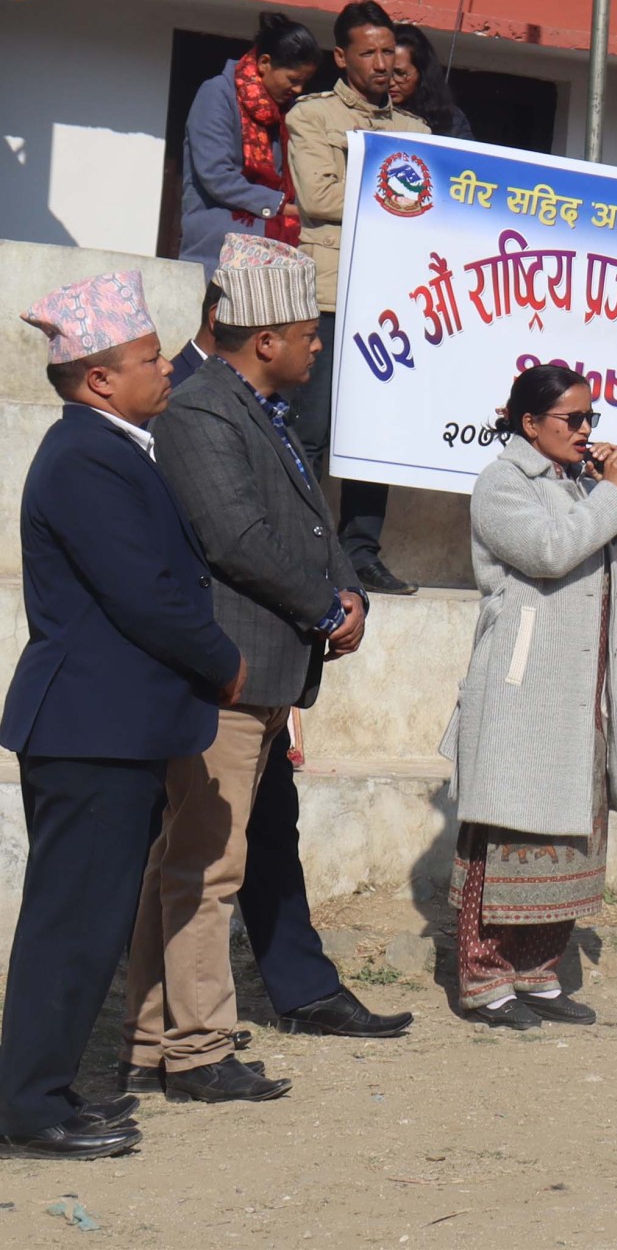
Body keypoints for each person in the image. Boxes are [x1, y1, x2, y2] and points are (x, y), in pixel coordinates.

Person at [124, 236, 412, 1107]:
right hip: (230, 671)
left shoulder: (256, 407)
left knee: (188, 858)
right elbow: (236, 538)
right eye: (308, 333)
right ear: (265, 340)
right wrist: (325, 606)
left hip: (262, 671)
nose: (318, 345)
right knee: (205, 865)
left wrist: (347, 591)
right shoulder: (202, 410)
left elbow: (310, 525)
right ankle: (197, 1049)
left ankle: (157, 1038)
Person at [1, 271, 243, 1159]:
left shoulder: (111, 448)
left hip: (107, 728)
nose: (167, 365)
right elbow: (145, 591)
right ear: (99, 378)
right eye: (148, 357)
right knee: (71, 923)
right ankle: (29, 1108)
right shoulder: (85, 458)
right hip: (89, 730)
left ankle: (47, 1091)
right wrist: (223, 659)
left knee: (86, 923)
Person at [440, 364, 617, 1028]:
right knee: (508, 827)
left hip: (581, 688)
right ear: (531, 423)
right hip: (524, 689)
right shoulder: (501, 481)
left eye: (591, 417)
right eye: (573, 419)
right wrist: (609, 494)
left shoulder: (586, 482)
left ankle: (538, 972)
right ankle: (485, 981)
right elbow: (547, 550)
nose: (586, 429)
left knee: (569, 834)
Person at [285, 0, 429, 597]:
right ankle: (298, 549)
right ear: (341, 57)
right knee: (311, 430)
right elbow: (319, 198)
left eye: (388, 51)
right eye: (368, 52)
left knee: (375, 436)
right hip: (329, 294)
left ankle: (361, 555)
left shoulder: (417, 132)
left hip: (391, 299)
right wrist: (401, 196)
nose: (382, 63)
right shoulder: (312, 115)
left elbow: (433, 213)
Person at [177, 12, 322, 274]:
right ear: (265, 63)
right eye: (293, 80)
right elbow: (217, 177)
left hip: (272, 234)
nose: (299, 90)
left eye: (304, 83)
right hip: (219, 238)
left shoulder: (288, 111)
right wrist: (281, 206)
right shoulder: (217, 94)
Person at [389, 23, 475, 141]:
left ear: (422, 72)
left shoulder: (450, 120)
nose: (390, 82)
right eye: (385, 72)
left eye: (400, 73)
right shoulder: (370, 109)